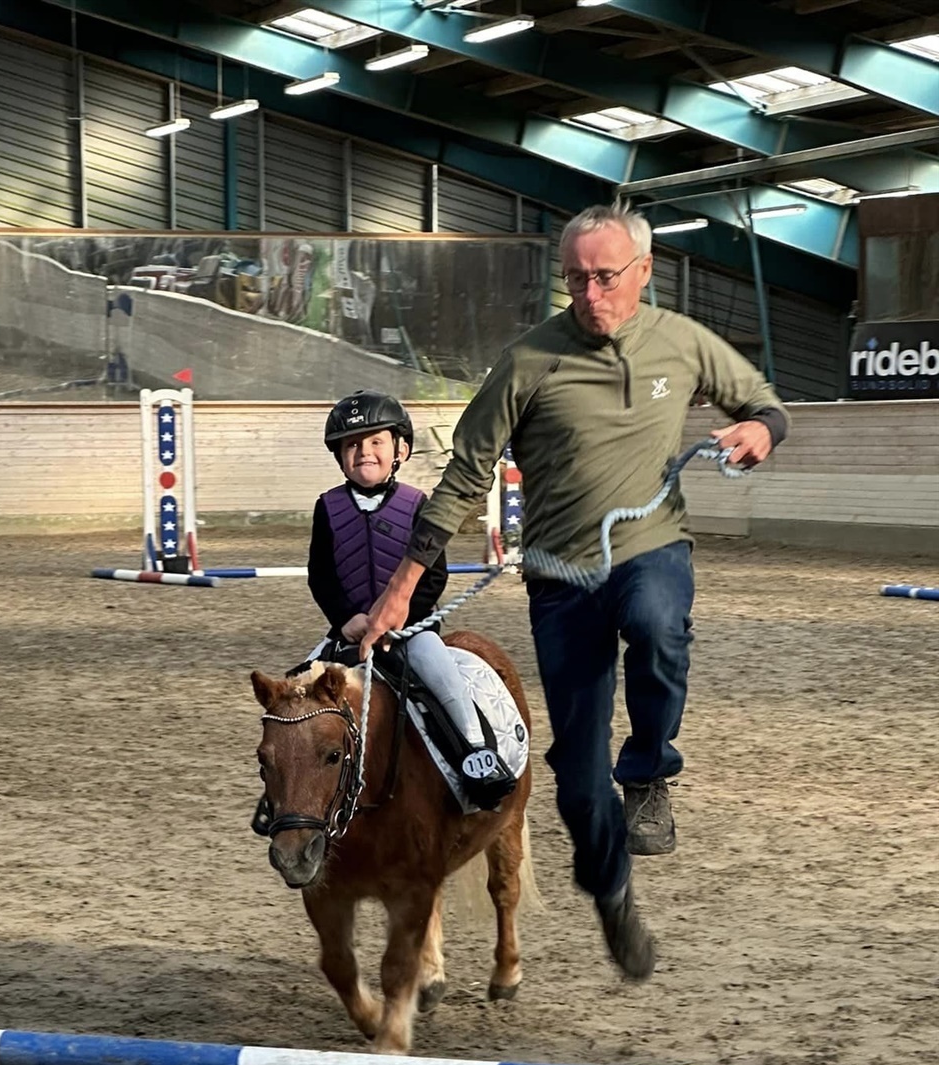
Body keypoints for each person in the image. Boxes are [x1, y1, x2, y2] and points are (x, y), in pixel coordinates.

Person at [359, 204, 788, 980]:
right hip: (561, 579)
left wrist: (761, 429)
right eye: (575, 279)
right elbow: (464, 476)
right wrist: (401, 590)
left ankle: (649, 771)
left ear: (644, 272)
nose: (590, 294)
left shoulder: (683, 342)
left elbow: (765, 405)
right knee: (580, 781)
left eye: (605, 277)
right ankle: (612, 892)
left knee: (657, 622)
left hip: (650, 547)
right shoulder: (528, 361)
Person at [307, 389, 516, 810]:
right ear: (340, 456)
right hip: (350, 632)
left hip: (411, 632)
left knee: (446, 682)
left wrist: (401, 621)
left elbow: (433, 575)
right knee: (297, 694)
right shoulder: (327, 508)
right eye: (352, 445)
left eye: (375, 441)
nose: (364, 452)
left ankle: (477, 756)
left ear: (400, 450)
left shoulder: (418, 504)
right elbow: (321, 576)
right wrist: (346, 618)